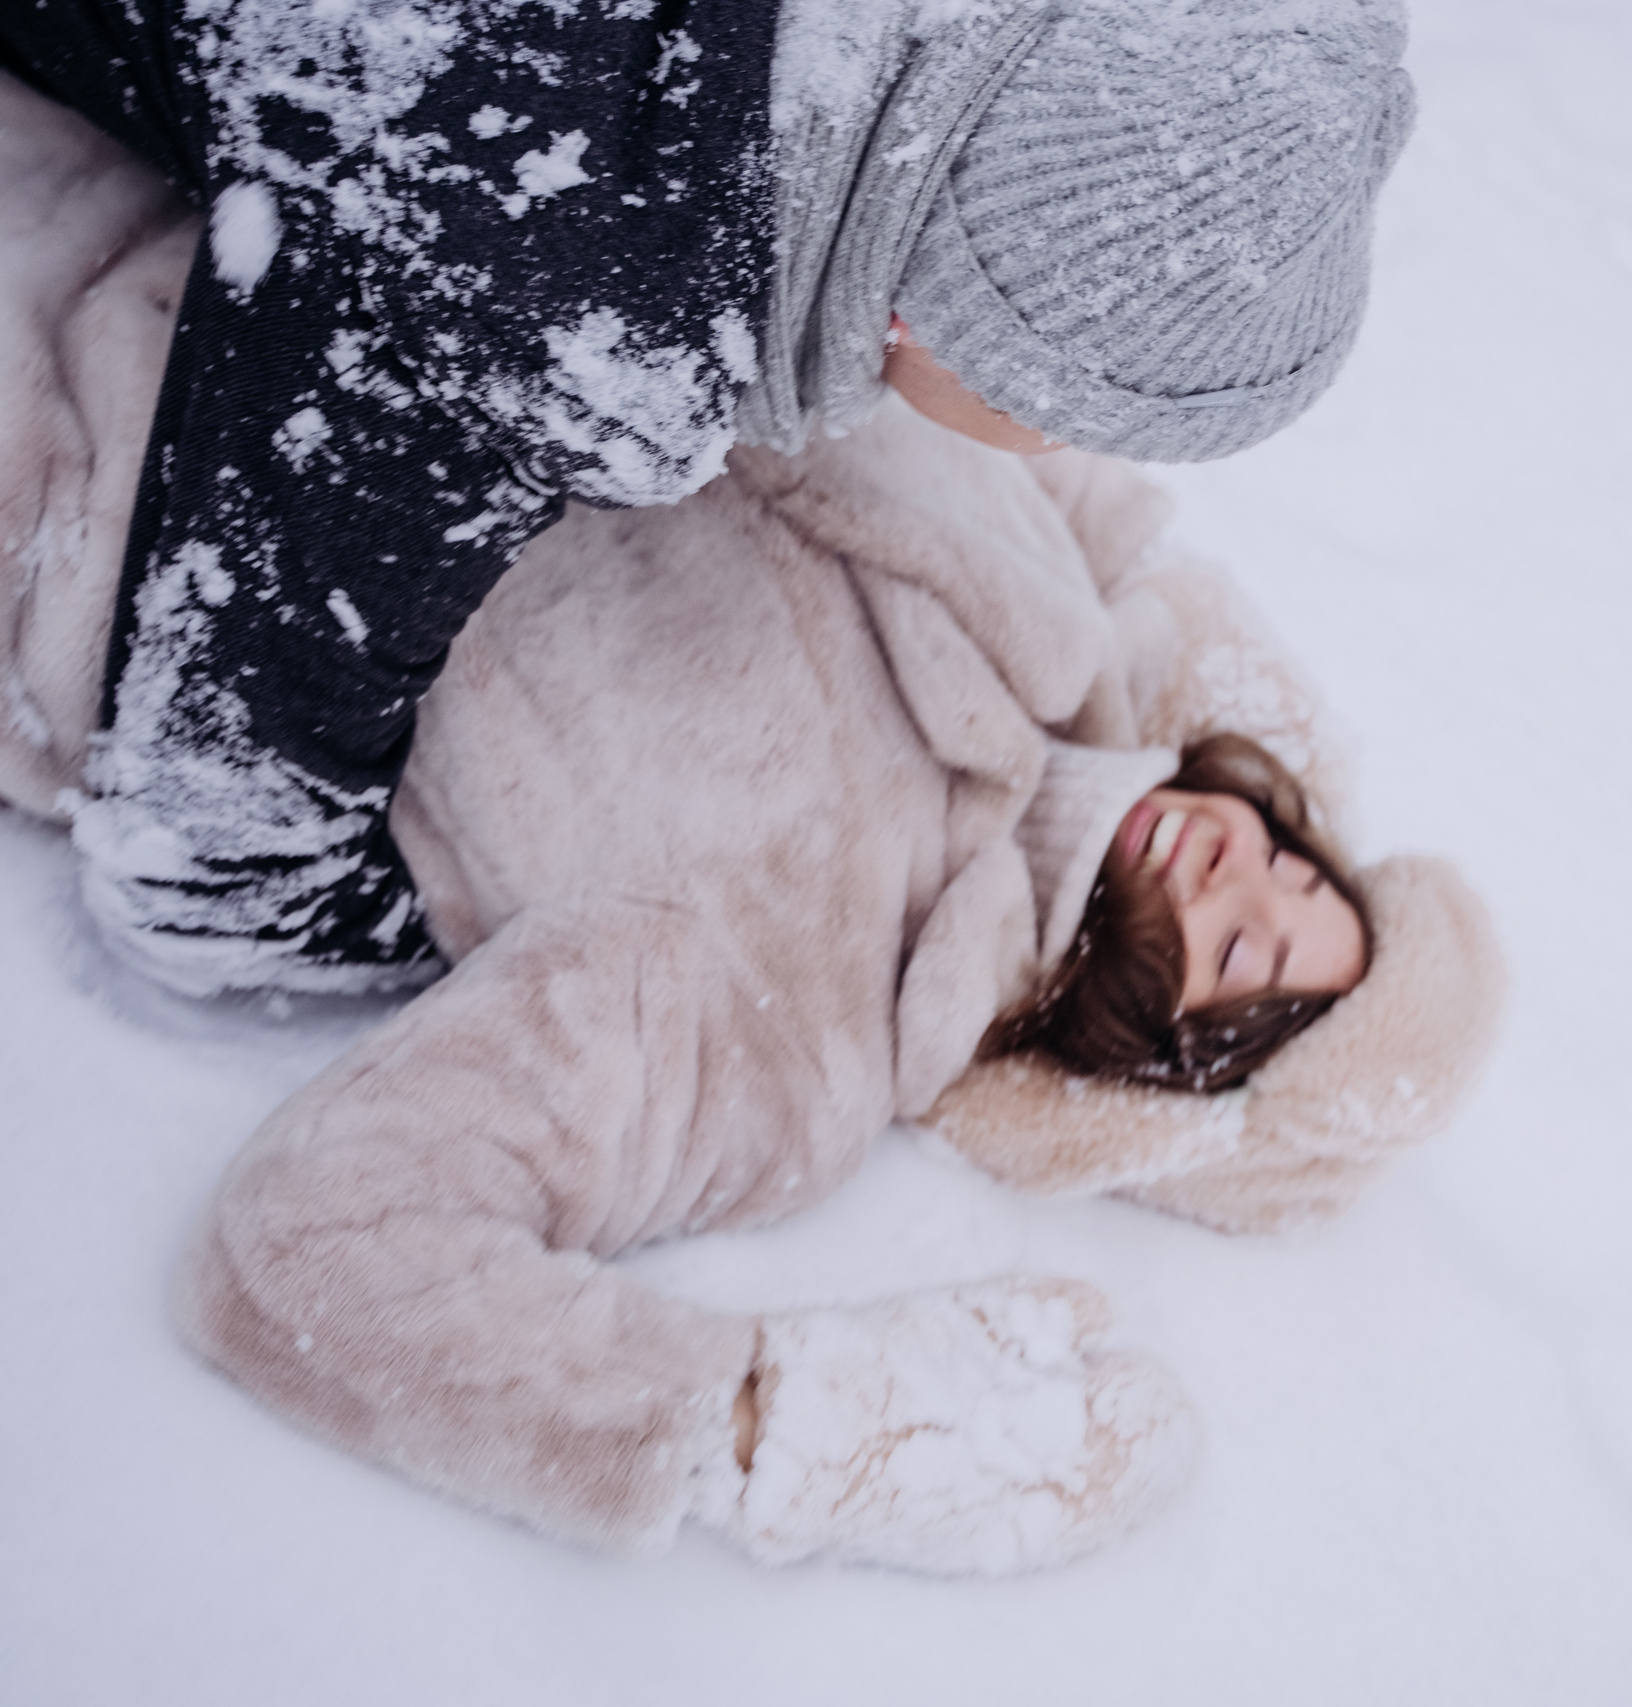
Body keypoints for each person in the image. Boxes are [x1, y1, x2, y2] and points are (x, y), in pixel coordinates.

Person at [1, 88, 1500, 1573]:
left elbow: (316, 1250)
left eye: (1238, 950)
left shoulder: (794, 1017)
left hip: (69, 443)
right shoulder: (1053, 609)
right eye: (1299, 865)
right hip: (197, 144)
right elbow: (1007, 371)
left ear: (1137, 1063)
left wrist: (774, 1421)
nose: (1239, 869)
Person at [0, 0, 1416, 996]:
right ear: (938, 316)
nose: (1047, 453)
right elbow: (215, 862)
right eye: (1057, 407)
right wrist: (450, 920)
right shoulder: (574, 285)